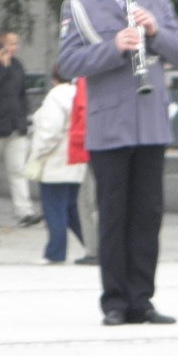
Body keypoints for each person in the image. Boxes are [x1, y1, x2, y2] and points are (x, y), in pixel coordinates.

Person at [58, 0, 178, 326]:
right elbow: (67, 63)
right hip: (110, 125)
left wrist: (155, 30)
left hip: (150, 124)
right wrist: (113, 47)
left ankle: (143, 300)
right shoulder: (79, 5)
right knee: (113, 216)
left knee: (147, 215)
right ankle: (115, 301)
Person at [0, 28, 43, 228]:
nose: (15, 48)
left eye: (16, 44)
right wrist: (2, 68)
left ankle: (24, 212)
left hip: (16, 127)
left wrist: (23, 120)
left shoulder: (18, 65)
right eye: (12, 43)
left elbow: (22, 95)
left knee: (18, 171)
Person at [25, 66, 86, 264]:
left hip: (56, 161)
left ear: (54, 78)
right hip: (77, 160)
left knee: (54, 209)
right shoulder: (82, 93)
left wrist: (37, 154)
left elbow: (49, 132)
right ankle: (96, 246)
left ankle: (55, 252)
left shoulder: (56, 96)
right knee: (72, 209)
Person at [70, 77, 99, 266]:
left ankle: (94, 250)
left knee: (88, 203)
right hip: (108, 144)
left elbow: (84, 114)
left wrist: (76, 140)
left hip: (94, 147)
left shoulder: (86, 80)